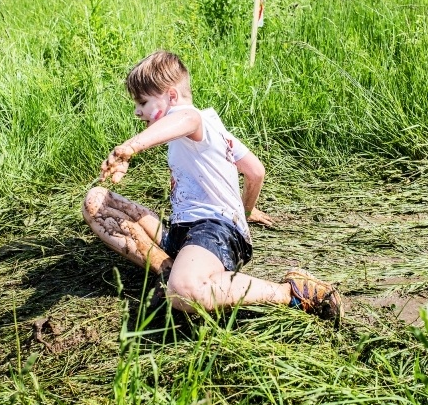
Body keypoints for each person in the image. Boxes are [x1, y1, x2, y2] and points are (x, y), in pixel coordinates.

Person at [82, 51, 343, 323]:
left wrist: (130, 148)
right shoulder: (216, 129)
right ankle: (168, 269)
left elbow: (186, 119)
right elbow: (255, 171)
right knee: (96, 200)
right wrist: (245, 210)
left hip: (214, 230)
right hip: (183, 231)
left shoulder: (193, 119)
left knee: (183, 292)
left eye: (143, 102)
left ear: (171, 96)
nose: (137, 111)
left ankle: (289, 293)